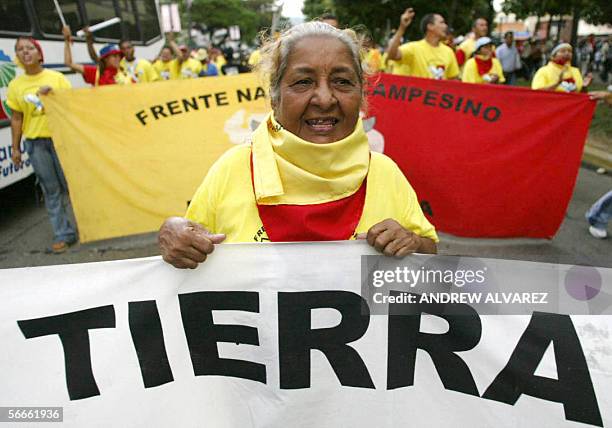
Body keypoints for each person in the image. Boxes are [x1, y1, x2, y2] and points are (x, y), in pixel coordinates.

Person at [158, 21, 438, 269]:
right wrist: (174, 235)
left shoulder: (384, 172)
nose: (325, 99)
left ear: (362, 93)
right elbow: (190, 243)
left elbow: (431, 256)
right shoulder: (234, 168)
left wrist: (412, 243)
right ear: (275, 96)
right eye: (303, 82)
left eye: (342, 81)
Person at [8, 37, 77, 253]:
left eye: (29, 48)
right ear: (17, 57)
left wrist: (55, 96)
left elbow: (73, 107)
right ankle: (63, 234)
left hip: (61, 141)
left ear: (39, 54)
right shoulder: (15, 85)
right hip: (36, 145)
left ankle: (89, 226)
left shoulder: (57, 78)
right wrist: (16, 147)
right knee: (51, 190)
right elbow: (17, 118)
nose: (25, 52)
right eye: (20, 49)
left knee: (73, 187)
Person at [387, 8, 459, 80]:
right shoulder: (414, 48)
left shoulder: (448, 52)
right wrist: (402, 27)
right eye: (442, 22)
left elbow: (453, 80)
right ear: (430, 26)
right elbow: (392, 55)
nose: (445, 26)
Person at [62, 26, 132, 86]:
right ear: (105, 59)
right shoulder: (96, 73)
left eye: (119, 55)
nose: (118, 58)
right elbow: (69, 63)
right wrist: (66, 40)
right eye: (114, 56)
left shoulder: (125, 72)